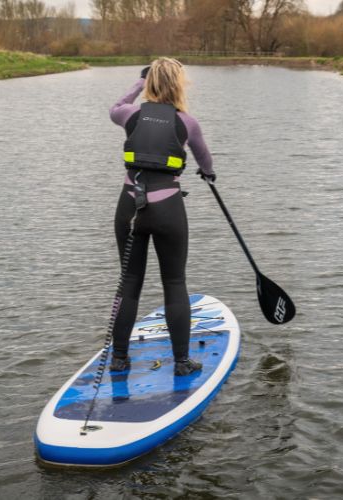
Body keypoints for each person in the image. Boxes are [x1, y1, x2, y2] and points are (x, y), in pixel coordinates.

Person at [107, 57, 215, 376]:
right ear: (179, 85)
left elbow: (116, 105)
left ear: (151, 83)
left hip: (130, 209)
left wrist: (139, 82)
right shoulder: (187, 122)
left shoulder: (130, 115)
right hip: (168, 208)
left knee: (129, 283)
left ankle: (119, 359)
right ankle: (181, 363)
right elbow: (205, 160)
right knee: (174, 281)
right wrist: (208, 174)